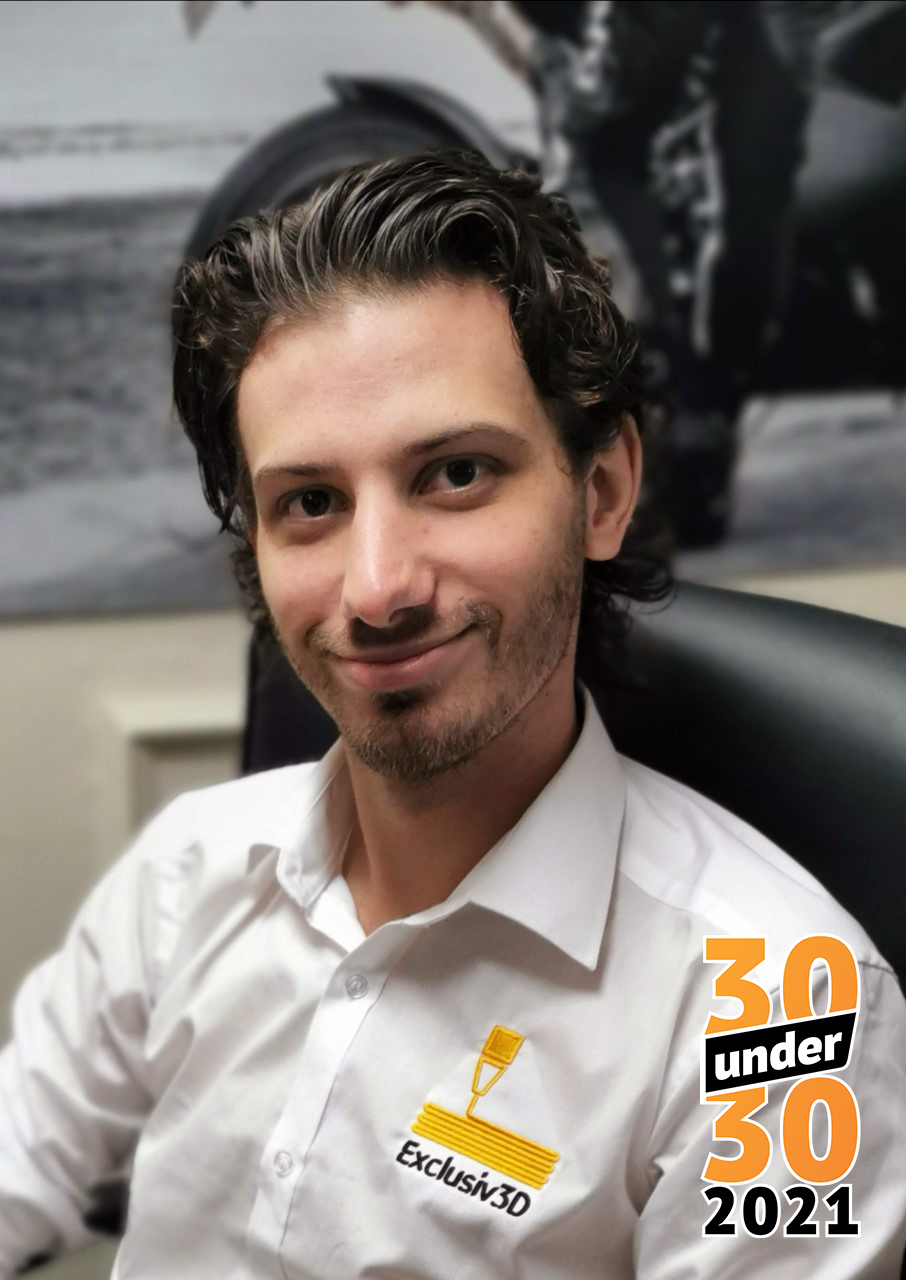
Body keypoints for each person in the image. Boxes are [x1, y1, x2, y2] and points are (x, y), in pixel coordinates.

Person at [1, 150, 904, 1278]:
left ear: (603, 491)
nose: (378, 588)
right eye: (310, 501)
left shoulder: (780, 1016)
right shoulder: (187, 871)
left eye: (457, 474)